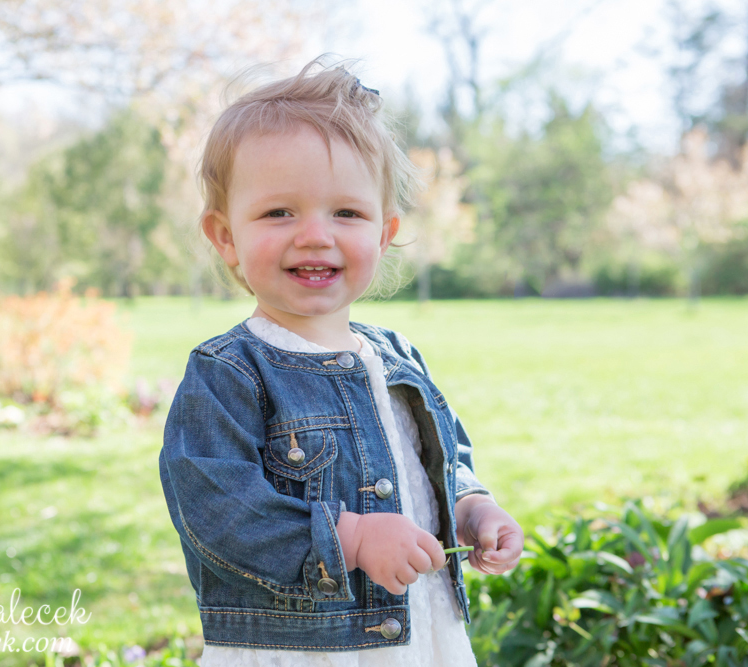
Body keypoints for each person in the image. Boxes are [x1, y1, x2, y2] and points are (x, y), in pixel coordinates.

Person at [158, 58, 524, 665]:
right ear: (225, 236)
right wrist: (348, 538)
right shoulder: (230, 371)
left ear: (384, 234)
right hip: (305, 648)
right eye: (280, 212)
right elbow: (216, 511)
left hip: (418, 633)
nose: (315, 235)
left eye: (346, 213)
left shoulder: (398, 358)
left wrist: (472, 509)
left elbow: (442, 464)